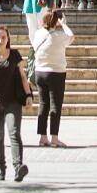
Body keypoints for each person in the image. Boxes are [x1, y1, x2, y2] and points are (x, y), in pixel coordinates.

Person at [0, 23, 33, 182]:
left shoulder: (14, 55)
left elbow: (23, 76)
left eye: (3, 37)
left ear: (8, 39)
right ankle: (1, 168)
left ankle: (18, 167)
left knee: (14, 133)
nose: (0, 40)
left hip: (12, 101)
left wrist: (28, 94)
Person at [32, 8, 75, 146]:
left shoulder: (38, 34)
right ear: (56, 21)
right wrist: (64, 24)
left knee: (43, 104)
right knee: (55, 105)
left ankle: (42, 137)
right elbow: (71, 36)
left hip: (40, 72)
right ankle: (54, 137)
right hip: (56, 72)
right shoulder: (59, 36)